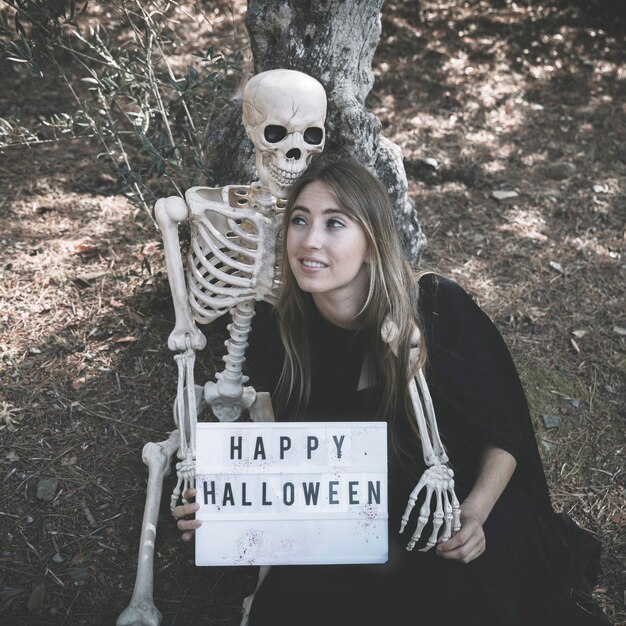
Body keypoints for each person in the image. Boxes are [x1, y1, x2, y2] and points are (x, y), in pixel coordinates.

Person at [174, 160, 609, 625]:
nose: (310, 240)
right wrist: (223, 507)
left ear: (371, 242)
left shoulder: (438, 309)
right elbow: (300, 466)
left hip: (458, 506)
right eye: (299, 220)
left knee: (463, 594)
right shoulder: (288, 336)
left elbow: (506, 435)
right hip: (368, 516)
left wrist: (475, 512)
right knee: (286, 603)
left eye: (334, 223)